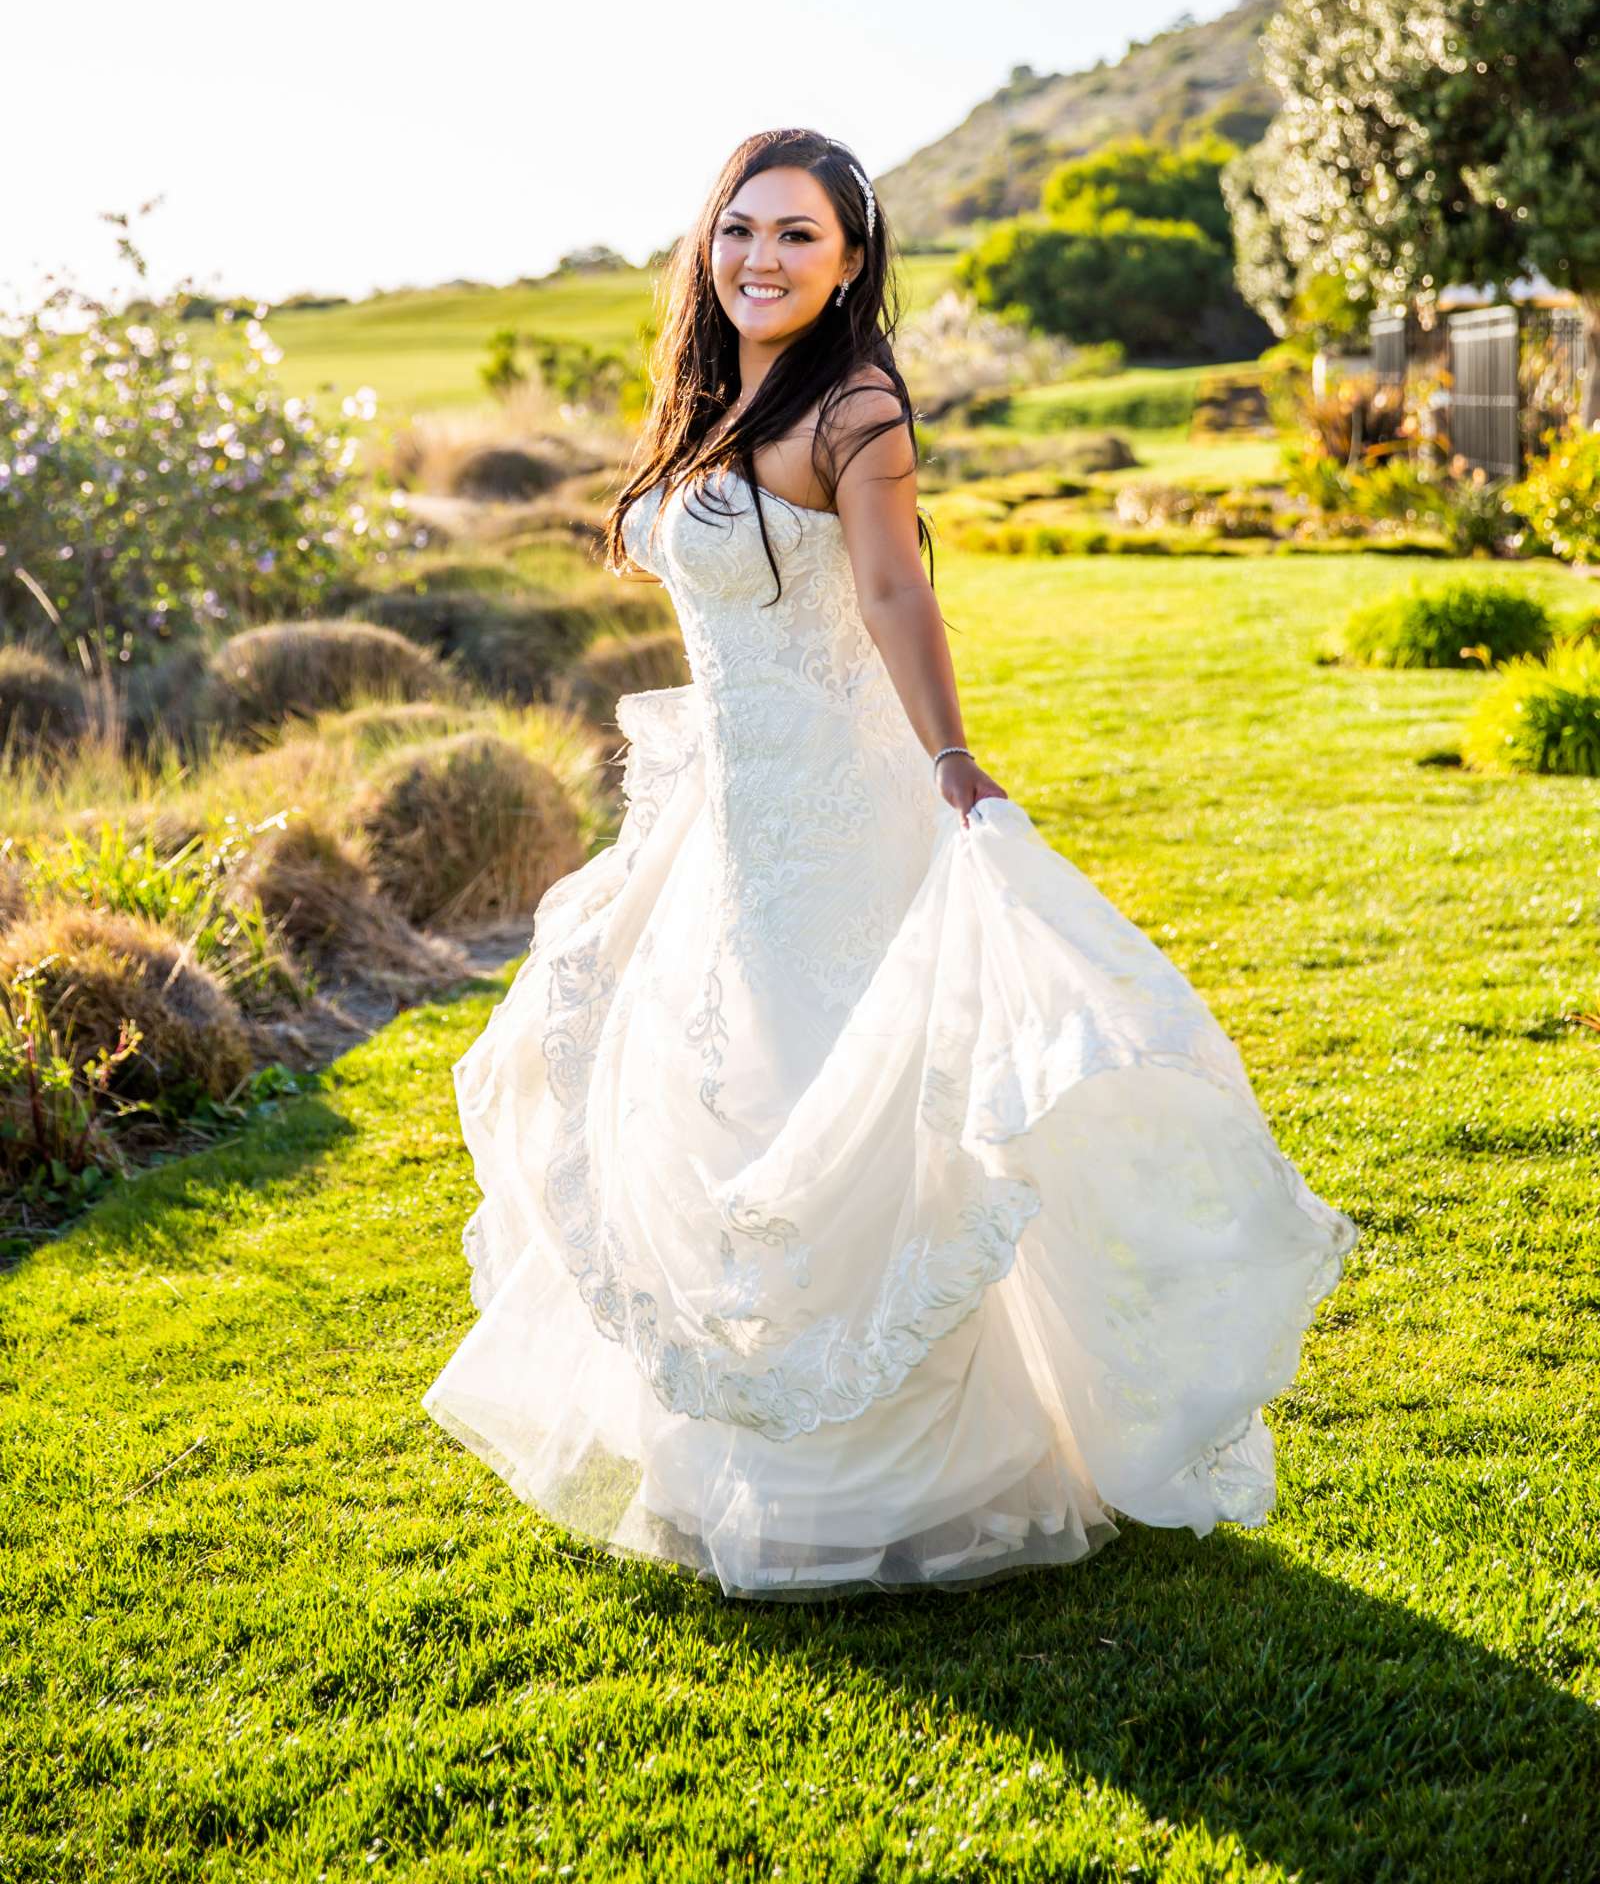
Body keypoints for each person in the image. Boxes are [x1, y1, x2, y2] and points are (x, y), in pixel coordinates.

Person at [420, 126, 1357, 1599]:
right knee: (696, 1091)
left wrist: (951, 761)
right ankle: (722, 1455)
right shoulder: (720, 399)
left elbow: (894, 584)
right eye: (740, 230)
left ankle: (890, 1486)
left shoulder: (854, 404)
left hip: (839, 816)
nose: (760, 259)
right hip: (726, 811)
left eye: (797, 235)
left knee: (833, 1114)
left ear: (851, 261)